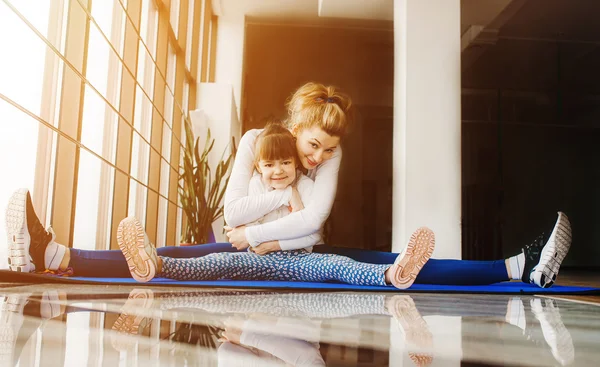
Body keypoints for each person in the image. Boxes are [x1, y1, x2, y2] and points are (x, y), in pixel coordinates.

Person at [4, 82, 572, 288]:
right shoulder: (256, 142)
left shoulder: (332, 156)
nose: (319, 156)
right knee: (180, 257)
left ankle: (519, 268)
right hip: (239, 245)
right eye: (311, 144)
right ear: (291, 125)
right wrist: (279, 198)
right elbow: (232, 214)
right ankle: (53, 252)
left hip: (295, 250)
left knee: (377, 261)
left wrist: (266, 234)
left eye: (328, 148)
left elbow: (314, 223)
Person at [116, 122, 435, 288]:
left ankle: (394, 273)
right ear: (259, 167)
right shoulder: (255, 188)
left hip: (299, 262)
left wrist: (268, 243)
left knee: (339, 266)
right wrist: (278, 207)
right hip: (252, 261)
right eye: (270, 165)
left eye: (285, 163)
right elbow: (237, 223)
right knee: (210, 263)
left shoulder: (307, 186)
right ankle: (153, 266)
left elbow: (311, 236)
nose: (278, 171)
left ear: (296, 164)